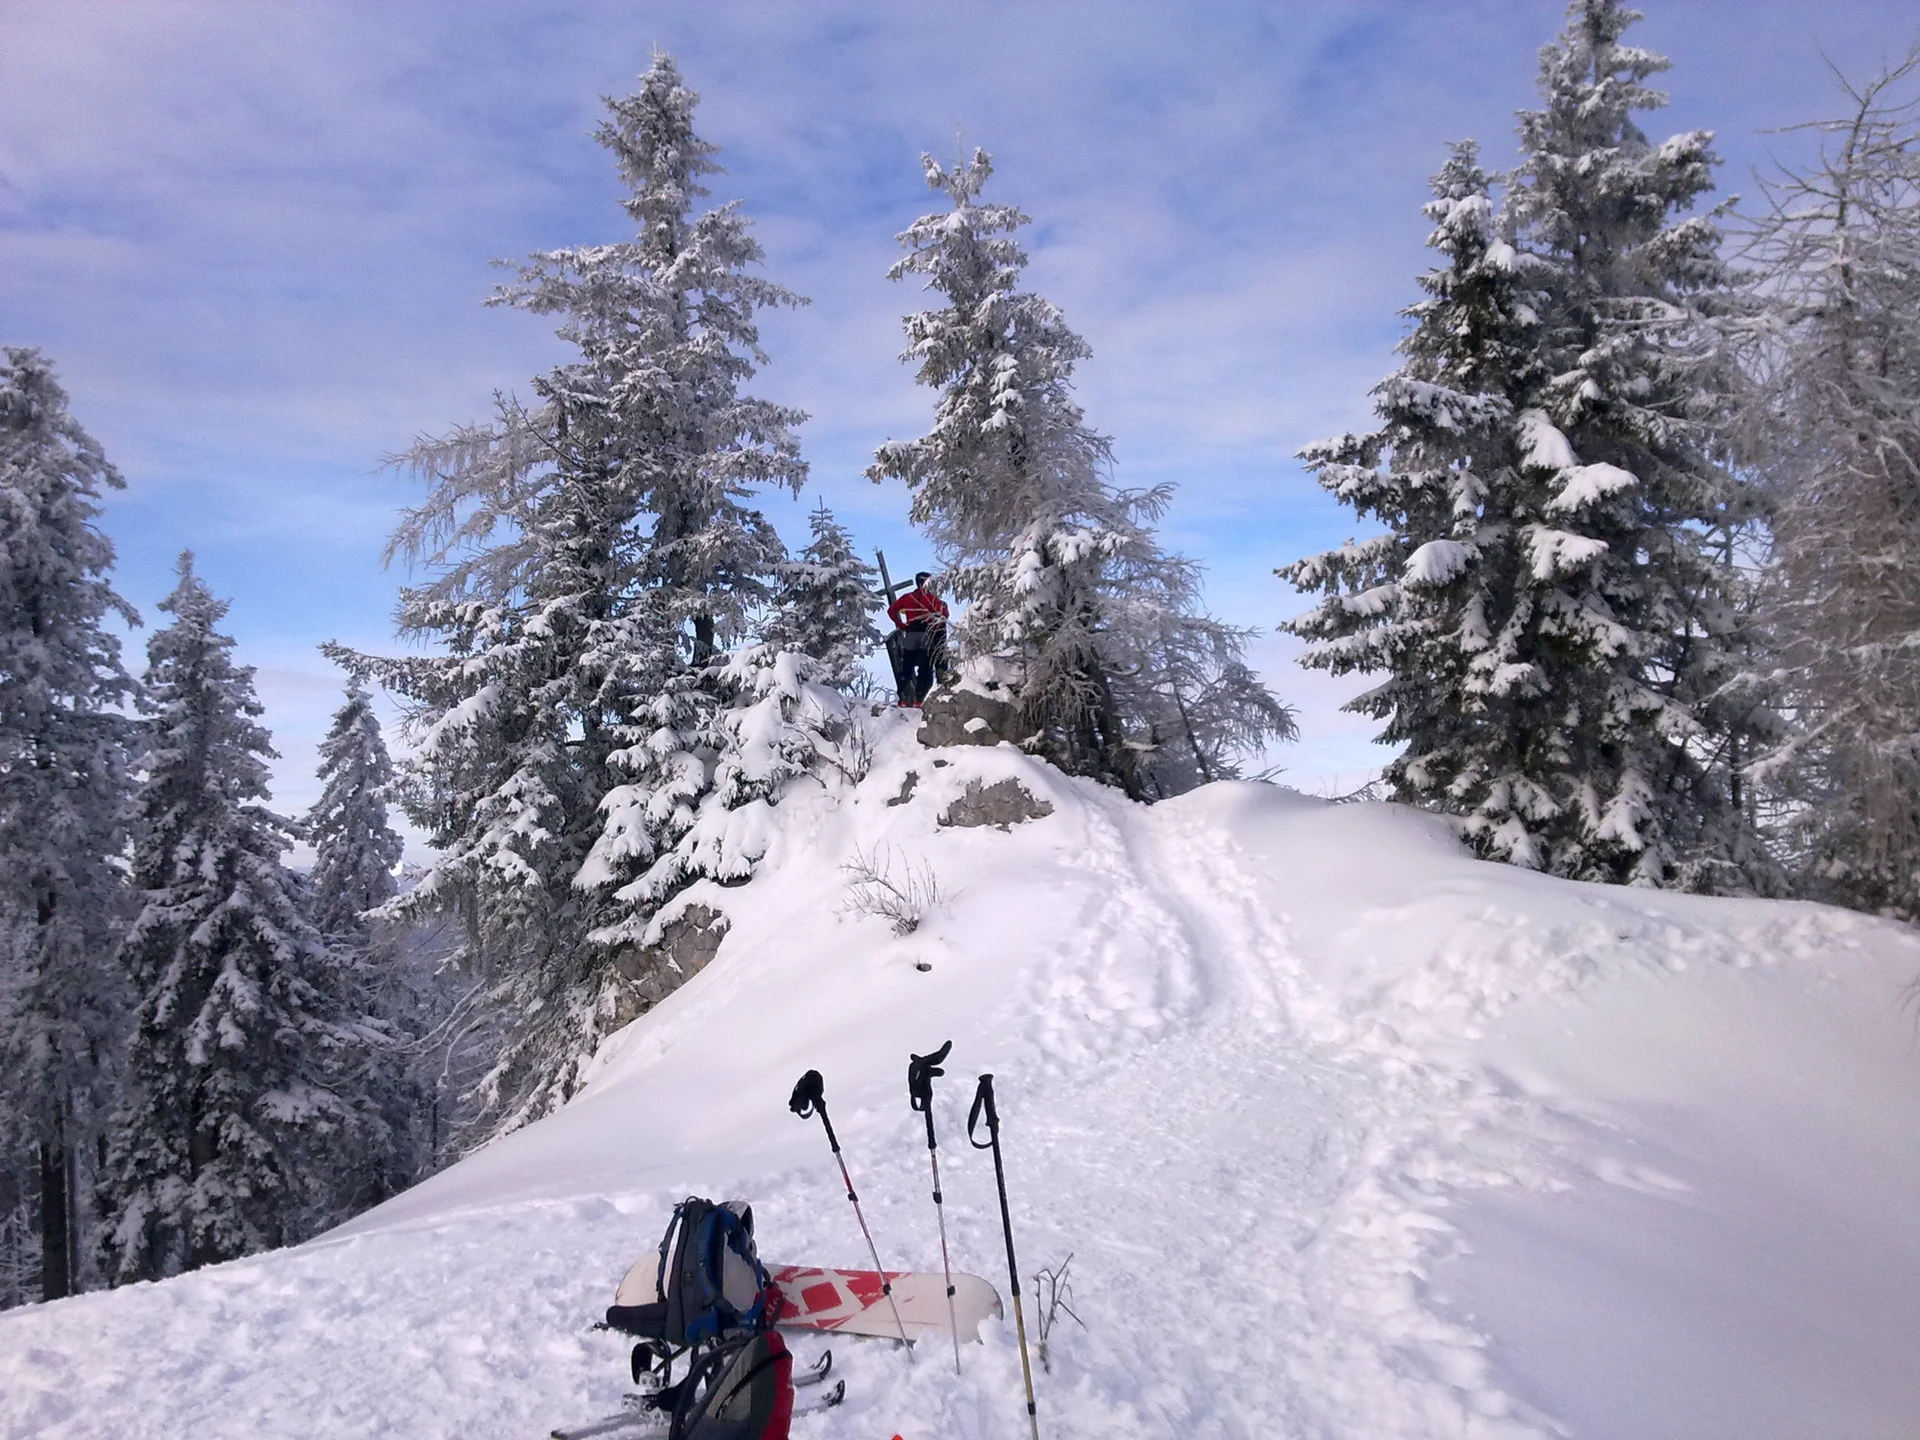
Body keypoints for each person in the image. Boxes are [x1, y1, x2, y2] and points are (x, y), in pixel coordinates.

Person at [886, 571, 949, 706]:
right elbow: (944, 617)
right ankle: (918, 701)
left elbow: (891, 610)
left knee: (907, 667)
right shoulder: (935, 600)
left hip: (911, 634)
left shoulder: (908, 597)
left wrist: (901, 625)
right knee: (925, 669)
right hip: (927, 635)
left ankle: (902, 699)